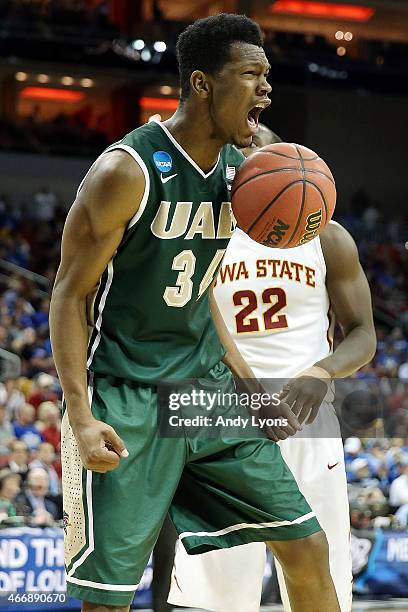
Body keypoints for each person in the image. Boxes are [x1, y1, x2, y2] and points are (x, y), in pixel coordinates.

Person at [50, 13, 340, 612]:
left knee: (307, 545)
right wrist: (79, 415)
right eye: (251, 75)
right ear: (203, 83)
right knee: (108, 599)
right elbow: (68, 296)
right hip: (126, 397)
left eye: (268, 76)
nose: (266, 88)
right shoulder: (124, 171)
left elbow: (204, 290)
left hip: (204, 395)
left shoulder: (243, 177)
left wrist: (248, 387)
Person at [169, 125, 376, 612]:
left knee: (320, 573)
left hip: (304, 414)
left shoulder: (327, 236)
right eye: (236, 149)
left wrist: (321, 373)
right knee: (217, 590)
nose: (247, 153)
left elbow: (364, 334)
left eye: (258, 145)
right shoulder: (197, 235)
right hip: (217, 410)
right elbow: (185, 327)